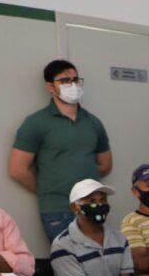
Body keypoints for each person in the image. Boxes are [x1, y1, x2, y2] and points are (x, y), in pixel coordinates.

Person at [9, 60, 112, 242]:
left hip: (93, 206)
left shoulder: (93, 122)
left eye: (75, 80)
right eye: (64, 81)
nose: (72, 85)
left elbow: (105, 165)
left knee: (97, 256)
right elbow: (17, 169)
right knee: (67, 258)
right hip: (57, 210)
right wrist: (49, 189)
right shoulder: (36, 123)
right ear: (50, 87)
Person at [50, 179, 133, 276]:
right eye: (91, 201)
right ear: (74, 207)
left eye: (103, 200)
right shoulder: (63, 246)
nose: (99, 205)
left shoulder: (119, 238)